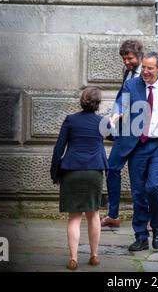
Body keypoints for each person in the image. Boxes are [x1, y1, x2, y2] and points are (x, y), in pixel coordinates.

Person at [114, 52, 158, 251]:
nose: (145, 71)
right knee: (138, 192)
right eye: (143, 67)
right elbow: (122, 102)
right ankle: (141, 236)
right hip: (137, 146)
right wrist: (117, 112)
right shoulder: (132, 85)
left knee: (154, 186)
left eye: (150, 68)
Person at [50, 87, 114, 270]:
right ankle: (94, 256)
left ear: (81, 101)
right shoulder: (102, 121)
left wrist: (54, 172)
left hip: (72, 170)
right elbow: (115, 137)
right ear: (98, 103)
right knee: (93, 214)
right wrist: (112, 122)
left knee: (74, 217)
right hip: (94, 171)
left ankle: (73, 258)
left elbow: (58, 149)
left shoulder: (70, 120)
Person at [100, 39, 144, 228]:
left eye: (130, 58)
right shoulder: (128, 72)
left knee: (140, 178)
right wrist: (114, 116)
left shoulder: (150, 73)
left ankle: (146, 218)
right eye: (124, 59)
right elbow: (123, 98)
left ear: (139, 56)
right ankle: (113, 215)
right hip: (125, 131)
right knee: (112, 169)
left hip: (142, 133)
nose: (126, 62)